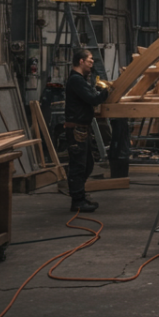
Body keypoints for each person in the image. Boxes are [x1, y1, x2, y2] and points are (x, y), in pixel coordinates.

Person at [64, 49, 110, 212]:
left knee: (88, 163)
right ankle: (77, 201)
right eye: (90, 61)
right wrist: (108, 90)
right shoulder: (76, 80)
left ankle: (80, 195)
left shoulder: (80, 80)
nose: (92, 64)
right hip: (77, 129)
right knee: (78, 165)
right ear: (81, 61)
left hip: (82, 128)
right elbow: (93, 99)